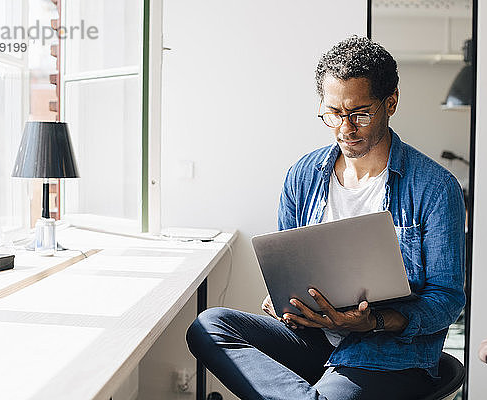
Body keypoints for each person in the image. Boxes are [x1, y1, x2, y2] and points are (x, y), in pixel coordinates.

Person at [186, 36, 466, 400]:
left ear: (390, 102)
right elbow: (287, 265)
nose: (345, 129)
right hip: (314, 339)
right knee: (209, 326)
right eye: (333, 114)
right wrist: (284, 302)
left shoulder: (433, 186)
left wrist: (375, 321)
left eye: (360, 114)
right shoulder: (303, 174)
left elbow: (446, 299)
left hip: (389, 353)